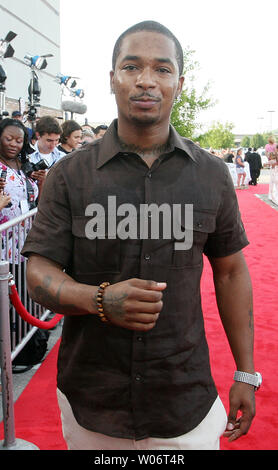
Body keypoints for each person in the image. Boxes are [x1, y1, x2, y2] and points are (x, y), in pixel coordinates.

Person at [22, 20, 259, 451]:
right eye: (131, 67)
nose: (146, 81)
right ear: (112, 77)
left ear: (179, 83)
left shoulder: (211, 175)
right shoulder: (69, 174)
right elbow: (38, 271)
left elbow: (230, 272)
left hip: (185, 398)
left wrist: (246, 371)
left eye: (162, 69)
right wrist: (100, 300)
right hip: (93, 399)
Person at [0, 118, 38, 263]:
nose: (13, 144)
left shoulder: (24, 165)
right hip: (3, 243)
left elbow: (36, 199)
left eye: (18, 141)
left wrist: (42, 181)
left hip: (25, 241)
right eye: (8, 139)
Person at [29, 115, 63, 194]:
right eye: (49, 140)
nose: (53, 144)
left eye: (57, 140)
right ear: (38, 135)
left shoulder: (63, 157)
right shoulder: (28, 157)